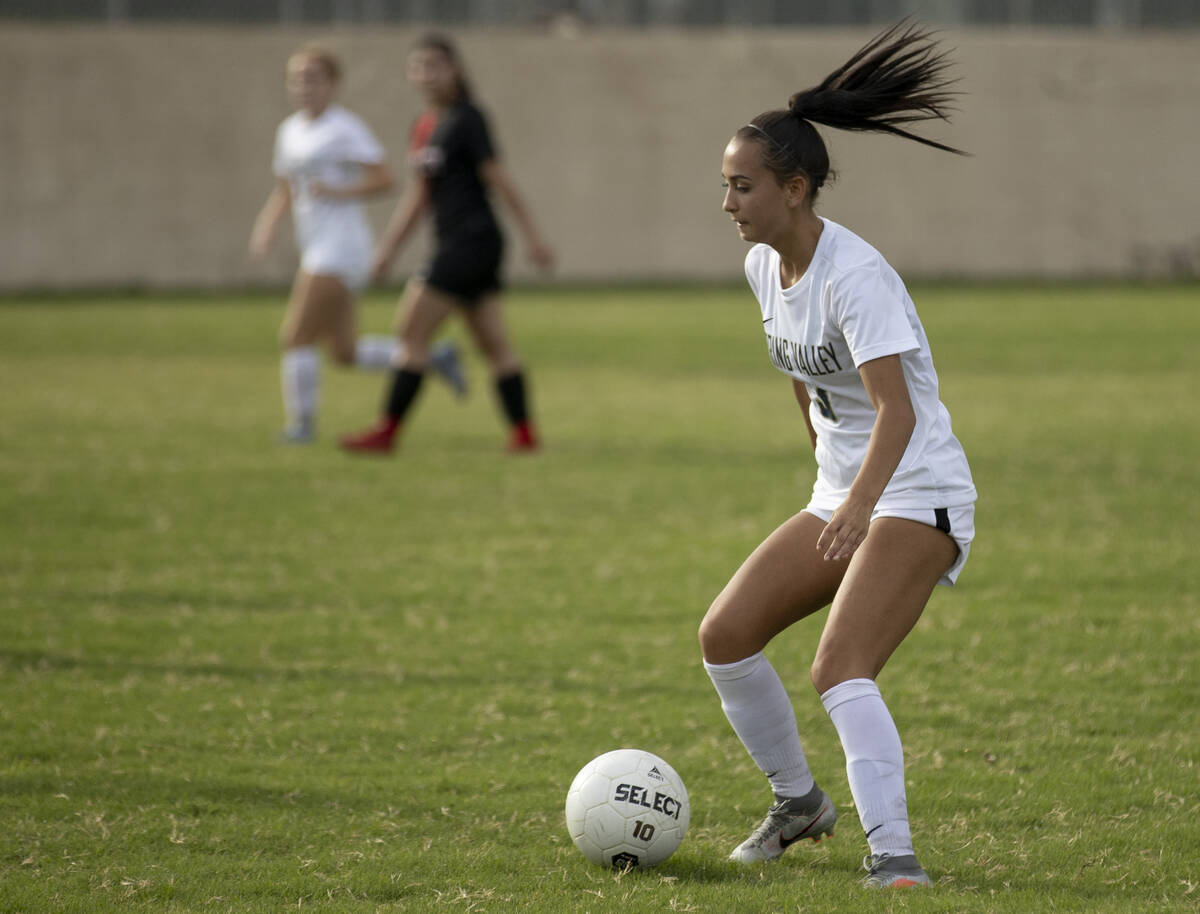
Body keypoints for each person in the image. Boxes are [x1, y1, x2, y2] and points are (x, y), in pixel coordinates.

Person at [698, 22, 978, 889]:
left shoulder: (856, 274)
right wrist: (824, 468)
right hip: (845, 490)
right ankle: (798, 804)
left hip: (914, 489)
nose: (729, 202)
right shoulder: (762, 269)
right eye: (724, 186)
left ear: (796, 186)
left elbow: (895, 410)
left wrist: (858, 503)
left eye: (743, 187)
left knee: (838, 666)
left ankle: (895, 856)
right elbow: (801, 372)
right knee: (726, 635)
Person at [338, 32, 554, 455]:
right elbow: (418, 196)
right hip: (461, 244)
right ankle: (525, 433)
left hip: (470, 242)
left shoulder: (468, 118)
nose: (426, 74)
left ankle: (387, 430)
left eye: (435, 65)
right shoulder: (423, 127)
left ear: (455, 69)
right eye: (418, 66)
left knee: (409, 333)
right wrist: (388, 250)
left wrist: (533, 237)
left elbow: (498, 179)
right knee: (495, 345)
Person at [250, 44, 465, 443]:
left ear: (333, 84)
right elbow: (286, 187)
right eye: (297, 78)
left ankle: (301, 426)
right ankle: (434, 357)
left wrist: (338, 190)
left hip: (340, 248)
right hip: (313, 245)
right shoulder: (290, 130)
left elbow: (385, 179)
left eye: (314, 78)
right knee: (344, 352)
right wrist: (267, 225)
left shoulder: (343, 128)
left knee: (295, 336)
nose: (304, 86)